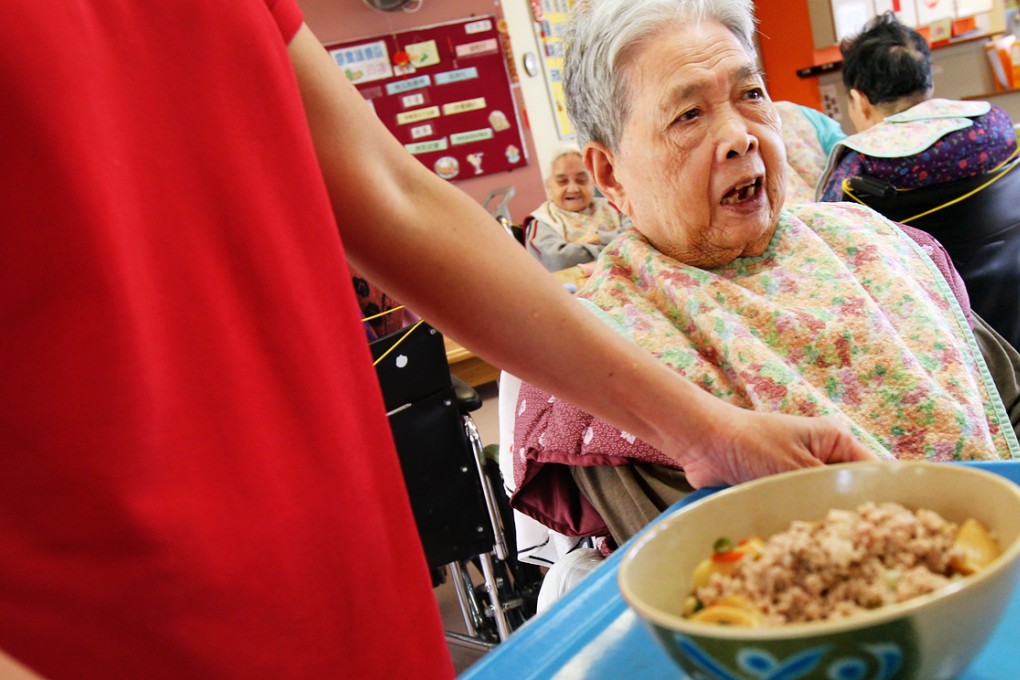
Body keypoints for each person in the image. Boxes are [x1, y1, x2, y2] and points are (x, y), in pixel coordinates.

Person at [0, 1, 880, 677]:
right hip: (115, 625)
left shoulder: (875, 251)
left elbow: (393, 195)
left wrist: (704, 428)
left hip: (352, 591)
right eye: (686, 114)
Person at [507, 0, 1020, 549]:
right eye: (688, 115)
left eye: (751, 95)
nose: (739, 137)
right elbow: (731, 574)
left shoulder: (877, 240)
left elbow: (1009, 406)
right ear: (611, 177)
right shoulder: (605, 361)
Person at [816, 12, 1020, 348]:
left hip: (933, 340)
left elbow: (828, 266)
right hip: (1009, 310)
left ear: (861, 100)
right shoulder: (994, 127)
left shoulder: (859, 172)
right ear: (928, 83)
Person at [525, 147, 628, 271]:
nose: (573, 188)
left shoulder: (615, 205)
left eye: (581, 180)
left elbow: (640, 235)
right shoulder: (542, 221)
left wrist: (599, 238)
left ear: (593, 182)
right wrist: (621, 247)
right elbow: (559, 260)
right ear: (548, 186)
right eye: (562, 181)